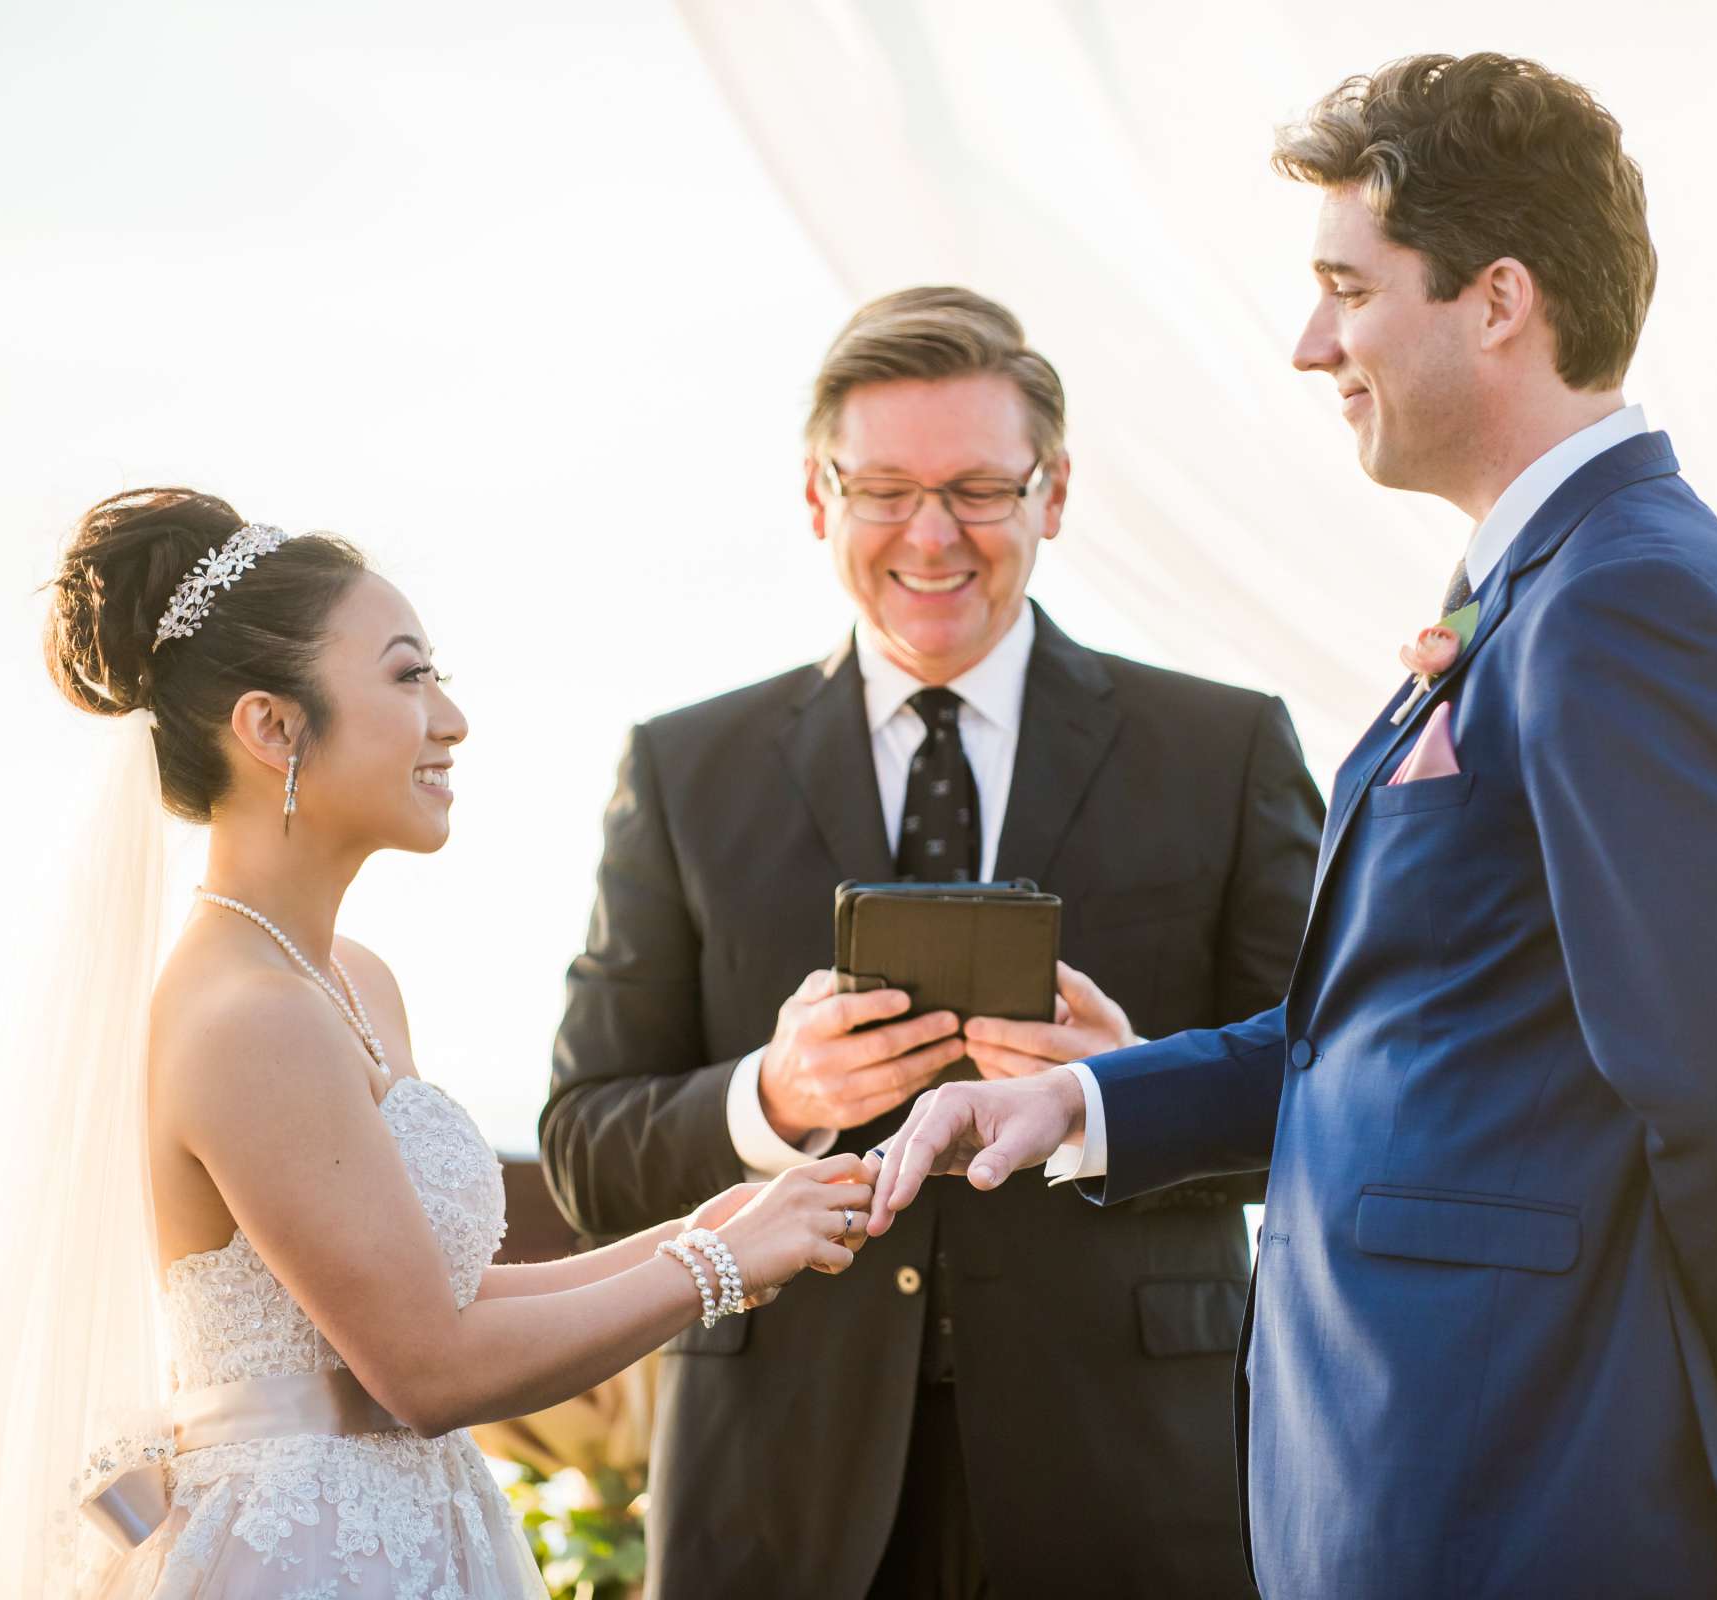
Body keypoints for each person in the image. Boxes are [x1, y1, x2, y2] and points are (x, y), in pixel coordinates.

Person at [868, 55, 1717, 1599]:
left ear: (1499, 298)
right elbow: (1397, 1037)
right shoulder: (1544, 590)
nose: (1312, 341)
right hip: (1417, 1470)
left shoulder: (1628, 600)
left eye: (1348, 287)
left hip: (1517, 1482)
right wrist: (1085, 1106)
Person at [0, 488, 873, 1599]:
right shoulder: (244, 1015)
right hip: (301, 1559)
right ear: (273, 725)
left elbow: (439, 1302)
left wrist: (702, 1226)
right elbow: (427, 1369)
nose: (452, 719)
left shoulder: (346, 978)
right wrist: (713, 1268)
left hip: (411, 1531)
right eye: (410, 675)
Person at [539, 287, 1324, 1598]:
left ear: (1052, 493)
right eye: (887, 489)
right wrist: (769, 1100)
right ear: (817, 497)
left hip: (1129, 1474)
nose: (931, 535)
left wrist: (1126, 1090)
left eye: (976, 489)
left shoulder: (1224, 749)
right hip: (779, 1482)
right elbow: (583, 1148)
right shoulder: (686, 770)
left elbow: (1339, 1093)